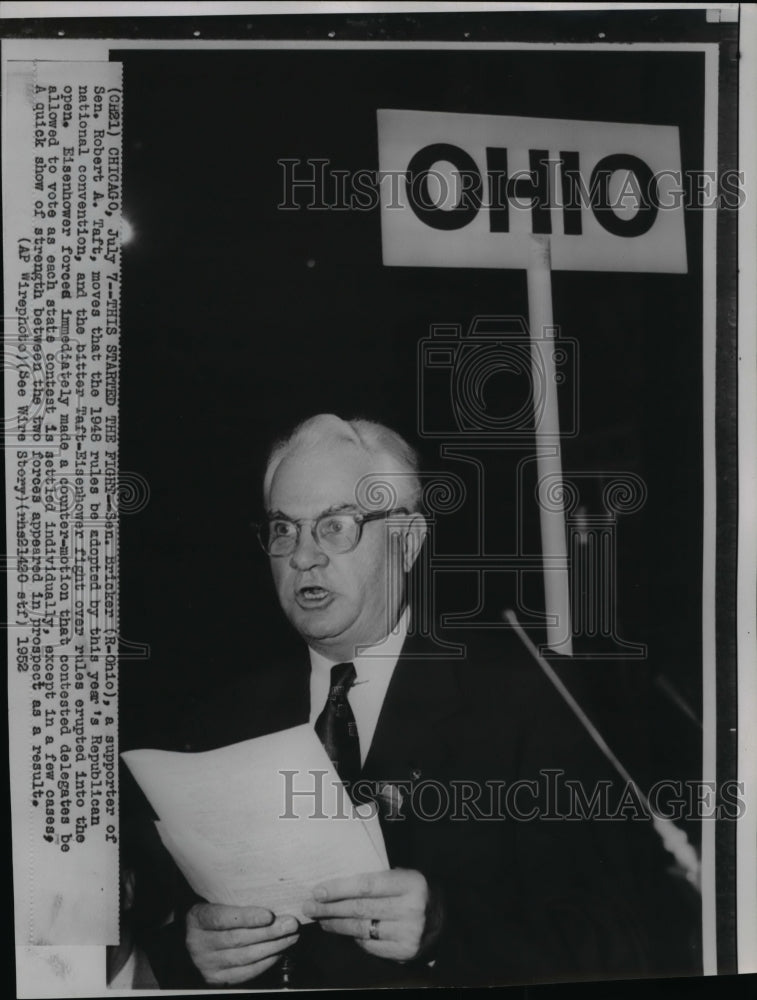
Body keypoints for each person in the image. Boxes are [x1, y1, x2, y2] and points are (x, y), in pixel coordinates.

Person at [144, 413, 697, 989]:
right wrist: (195, 951)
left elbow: (626, 942)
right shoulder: (223, 722)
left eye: (336, 525)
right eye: (284, 529)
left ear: (408, 540)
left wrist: (445, 934)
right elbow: (153, 932)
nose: (303, 556)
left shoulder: (525, 700)